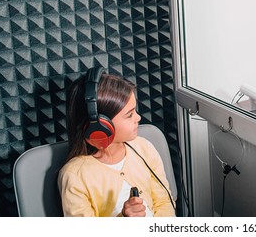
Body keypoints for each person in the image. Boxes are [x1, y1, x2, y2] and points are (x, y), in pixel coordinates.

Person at [58, 67, 175, 217]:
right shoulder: (74, 175)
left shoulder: (144, 148)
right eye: (129, 115)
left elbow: (164, 202)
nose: (138, 118)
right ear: (100, 126)